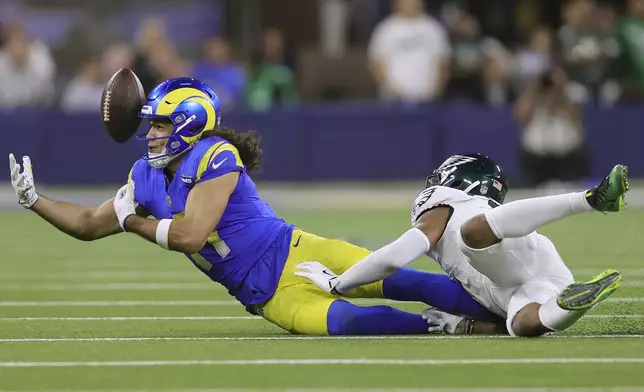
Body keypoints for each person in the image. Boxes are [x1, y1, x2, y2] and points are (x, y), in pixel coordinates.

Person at [8, 78, 503, 336]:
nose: (151, 133)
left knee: (406, 281)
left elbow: (189, 236)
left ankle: (509, 307)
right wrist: (36, 201)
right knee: (353, 324)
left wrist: (133, 220)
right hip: (265, 294)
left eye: (160, 124)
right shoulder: (143, 176)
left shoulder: (214, 155)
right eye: (151, 125)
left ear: (186, 123)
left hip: (295, 250)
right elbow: (91, 224)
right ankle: (459, 325)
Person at [295, 153, 626, 337]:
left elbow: (396, 256)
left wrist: (340, 283)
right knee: (523, 324)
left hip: (502, 257)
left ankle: (590, 199)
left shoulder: (444, 201)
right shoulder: (479, 207)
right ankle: (568, 306)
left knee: (472, 235)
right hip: (528, 280)